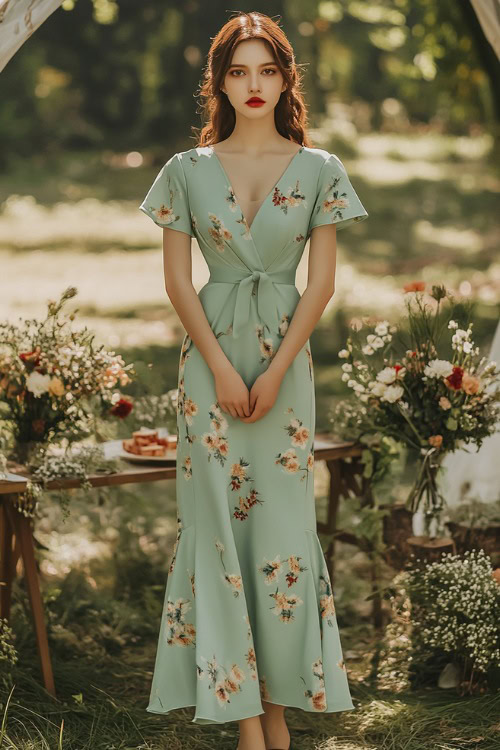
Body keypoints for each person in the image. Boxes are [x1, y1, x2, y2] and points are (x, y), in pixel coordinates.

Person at [139, 11, 368, 750]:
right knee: (215, 530)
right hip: (208, 369)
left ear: (285, 77)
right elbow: (178, 284)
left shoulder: (321, 169)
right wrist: (220, 368)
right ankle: (249, 723)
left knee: (278, 534)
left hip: (286, 376)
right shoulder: (185, 170)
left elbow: (321, 286)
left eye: (266, 69)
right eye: (238, 71)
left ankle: (275, 715)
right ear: (220, 82)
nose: (253, 85)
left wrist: (271, 374)